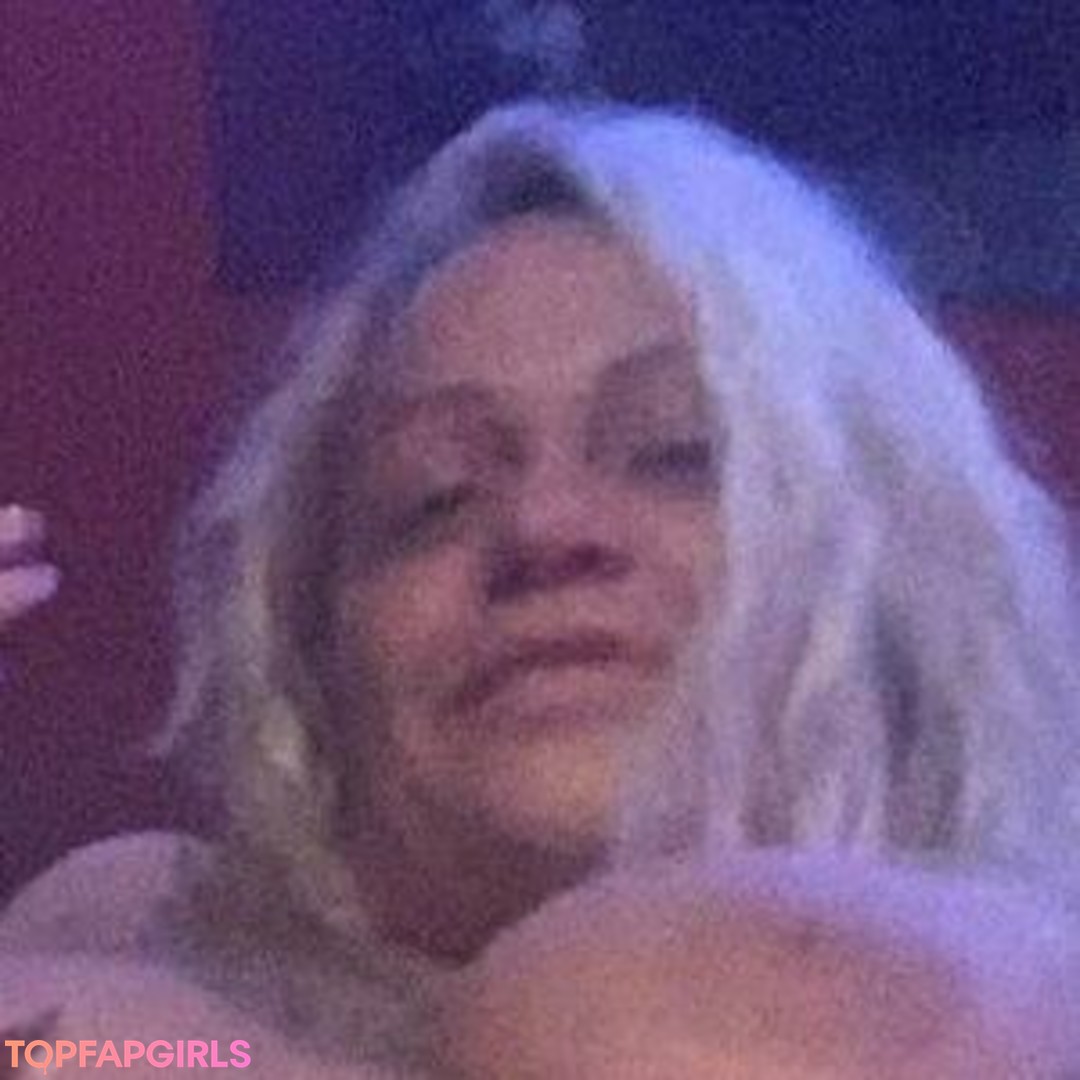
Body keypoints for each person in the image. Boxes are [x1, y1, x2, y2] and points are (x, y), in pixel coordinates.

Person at [3, 97, 1080, 1075]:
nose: (542, 527)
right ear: (314, 660)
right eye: (434, 497)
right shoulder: (130, 985)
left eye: (675, 452)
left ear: (904, 579)